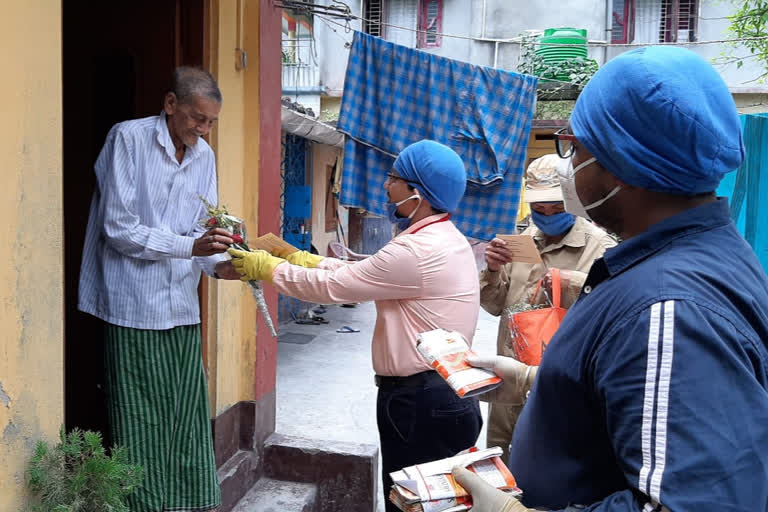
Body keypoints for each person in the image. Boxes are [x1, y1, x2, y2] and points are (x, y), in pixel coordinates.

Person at [452, 46, 768, 511]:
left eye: (575, 149)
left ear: (623, 165)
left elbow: (698, 503)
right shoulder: (686, 259)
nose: (569, 168)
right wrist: (538, 383)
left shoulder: (668, 307)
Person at [226, 140, 483, 512]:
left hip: (420, 402)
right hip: (445, 396)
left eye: (394, 178)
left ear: (417, 193)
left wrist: (269, 268)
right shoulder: (443, 240)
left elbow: (337, 288)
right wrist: (302, 259)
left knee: (413, 504)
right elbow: (363, 274)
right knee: (439, 505)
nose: (384, 185)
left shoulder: (413, 251)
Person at [79, 67, 238, 511]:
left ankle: (185, 504)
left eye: (210, 123)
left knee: (185, 416)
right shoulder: (127, 139)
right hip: (132, 305)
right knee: (139, 419)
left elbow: (203, 231)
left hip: (181, 307)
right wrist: (191, 246)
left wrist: (224, 265)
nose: (203, 130)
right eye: (196, 118)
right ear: (170, 104)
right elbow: (119, 228)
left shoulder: (204, 156)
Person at [479, 153, 615, 462]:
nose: (548, 215)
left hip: (558, 385)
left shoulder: (601, 248)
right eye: (539, 209)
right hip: (509, 385)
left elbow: (612, 314)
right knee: (501, 465)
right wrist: (491, 269)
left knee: (549, 470)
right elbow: (496, 305)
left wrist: (572, 283)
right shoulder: (524, 240)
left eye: (557, 208)